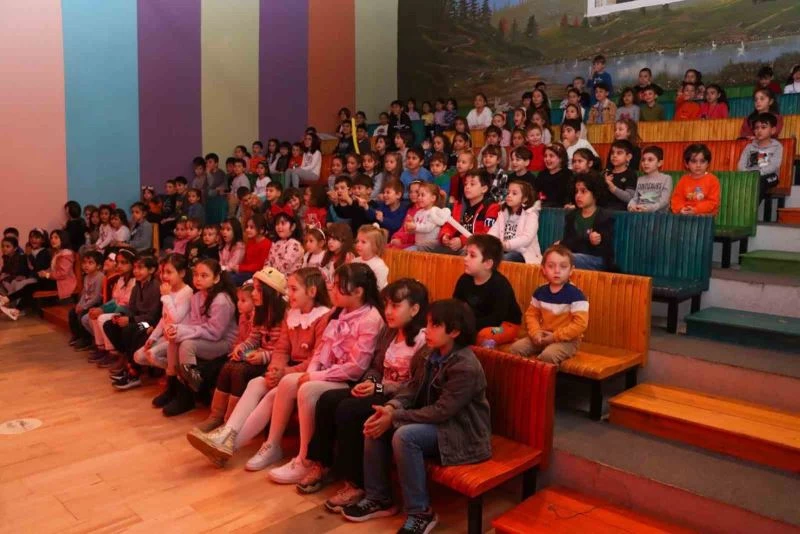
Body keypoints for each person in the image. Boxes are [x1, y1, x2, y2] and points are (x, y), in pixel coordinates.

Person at [341, 299, 490, 534]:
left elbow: (442, 411)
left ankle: (420, 512)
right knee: (376, 421)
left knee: (405, 436)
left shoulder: (465, 366)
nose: (426, 330)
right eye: (427, 324)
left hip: (463, 433)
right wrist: (390, 408)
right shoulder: (429, 353)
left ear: (454, 331)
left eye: (434, 325)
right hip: (437, 425)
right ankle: (379, 498)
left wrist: (396, 417)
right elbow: (412, 388)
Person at [297, 279, 429, 506]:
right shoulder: (390, 332)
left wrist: (379, 387)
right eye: (387, 305)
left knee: (350, 410)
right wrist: (370, 381)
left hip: (401, 401)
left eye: (396, 306)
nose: (388, 311)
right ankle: (323, 464)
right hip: (380, 390)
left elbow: (415, 386)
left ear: (415, 309)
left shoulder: (423, 340)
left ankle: (356, 484)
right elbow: (376, 367)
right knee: (327, 400)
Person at [185, 268, 332, 468]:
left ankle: (234, 445)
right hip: (287, 370)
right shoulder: (293, 314)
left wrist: (283, 373)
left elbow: (316, 359)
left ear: (312, 291)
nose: (288, 293)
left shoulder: (323, 318)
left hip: (308, 373)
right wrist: (274, 370)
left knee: (272, 393)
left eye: (294, 289)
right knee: (256, 383)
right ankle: (226, 434)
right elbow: (282, 349)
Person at [259, 264, 385, 484]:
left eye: (338, 285)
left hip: (351, 380)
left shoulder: (371, 318)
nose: (332, 289)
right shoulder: (339, 311)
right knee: (289, 382)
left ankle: (305, 459)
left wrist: (315, 377)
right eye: (333, 284)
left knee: (307, 389)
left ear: (358, 291)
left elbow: (356, 367)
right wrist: (311, 371)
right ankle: (273, 444)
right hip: (328, 373)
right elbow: (321, 349)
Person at [189, 267, 287, 437]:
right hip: (259, 355)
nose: (254, 294)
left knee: (239, 371)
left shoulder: (284, 315)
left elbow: (283, 349)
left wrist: (263, 356)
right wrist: (241, 347)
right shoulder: (260, 311)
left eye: (258, 290)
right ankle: (216, 416)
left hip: (272, 363)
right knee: (228, 366)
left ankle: (229, 422)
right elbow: (254, 338)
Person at [160, 259, 239, 417]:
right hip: (206, 337)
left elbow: (215, 333)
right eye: (196, 275)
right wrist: (177, 331)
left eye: (204, 276)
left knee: (187, 344)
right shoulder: (197, 297)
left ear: (216, 278)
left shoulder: (221, 300)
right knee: (175, 340)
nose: (198, 279)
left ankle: (187, 396)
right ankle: (173, 387)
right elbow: (194, 324)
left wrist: (183, 331)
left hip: (224, 343)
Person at [509, 244, 589, 364]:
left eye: (563, 267)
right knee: (516, 348)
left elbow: (580, 324)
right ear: (543, 269)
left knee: (548, 356)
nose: (557, 271)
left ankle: (540, 376)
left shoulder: (576, 295)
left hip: (568, 340)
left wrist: (555, 337)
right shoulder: (540, 292)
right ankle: (524, 375)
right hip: (543, 335)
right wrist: (535, 333)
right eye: (551, 266)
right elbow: (531, 315)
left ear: (571, 270)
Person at [453, 234, 521, 347]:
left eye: (472, 255)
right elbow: (456, 306)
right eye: (466, 254)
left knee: (485, 334)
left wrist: (468, 325)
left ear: (488, 264)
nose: (465, 258)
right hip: (473, 323)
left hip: (505, 325)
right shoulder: (464, 280)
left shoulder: (500, 284)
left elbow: (496, 319)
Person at [105, 255, 162, 388]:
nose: (136, 271)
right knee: (109, 324)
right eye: (135, 268)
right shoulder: (137, 286)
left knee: (131, 329)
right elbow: (131, 309)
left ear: (151, 270)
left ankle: (134, 372)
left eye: (140, 268)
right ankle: (128, 360)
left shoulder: (155, 287)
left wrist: (130, 320)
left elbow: (152, 316)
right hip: (138, 320)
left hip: (151, 323)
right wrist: (120, 315)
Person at [133, 254, 193, 375]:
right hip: (164, 335)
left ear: (181, 273)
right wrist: (153, 337)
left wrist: (166, 296)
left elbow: (175, 319)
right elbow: (164, 318)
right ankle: (173, 368)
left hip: (178, 338)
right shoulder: (167, 289)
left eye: (169, 272)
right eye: (162, 272)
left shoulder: (187, 292)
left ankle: (174, 372)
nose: (164, 276)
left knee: (151, 354)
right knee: (138, 356)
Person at [85, 249, 136, 365]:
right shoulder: (121, 279)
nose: (119, 266)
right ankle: (102, 348)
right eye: (118, 263)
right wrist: (101, 309)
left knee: (102, 318)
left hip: (128, 312)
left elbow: (127, 304)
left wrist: (104, 311)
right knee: (94, 314)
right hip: (118, 309)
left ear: (132, 264)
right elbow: (115, 300)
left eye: (124, 262)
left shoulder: (134, 281)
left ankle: (113, 352)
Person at [435, 170, 499, 255]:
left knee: (467, 252)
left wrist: (462, 241)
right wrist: (445, 235)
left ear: (484, 189)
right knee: (425, 246)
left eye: (472, 184)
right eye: (465, 184)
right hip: (454, 243)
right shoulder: (459, 204)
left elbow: (486, 234)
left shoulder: (491, 207)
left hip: (476, 246)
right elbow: (449, 224)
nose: (467, 187)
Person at [561, 174, 615, 271]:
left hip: (597, 260)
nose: (578, 195)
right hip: (573, 257)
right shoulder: (571, 216)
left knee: (569, 259)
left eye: (583, 191)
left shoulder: (604, 217)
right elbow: (567, 242)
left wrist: (595, 241)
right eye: (576, 191)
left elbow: (604, 249)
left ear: (595, 193)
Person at [488, 180, 541, 264]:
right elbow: (494, 230)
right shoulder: (503, 213)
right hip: (503, 249)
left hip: (523, 253)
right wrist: (489, 241)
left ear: (525, 199)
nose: (509, 195)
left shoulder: (531, 215)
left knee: (505, 259)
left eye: (514, 193)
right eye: (508, 193)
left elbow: (527, 238)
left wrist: (507, 244)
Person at [737, 112, 783, 203]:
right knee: (736, 182)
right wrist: (747, 173)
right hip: (750, 175)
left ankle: (751, 208)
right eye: (756, 128)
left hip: (770, 176)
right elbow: (741, 164)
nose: (759, 130)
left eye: (763, 127)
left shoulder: (777, 146)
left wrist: (759, 173)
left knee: (760, 182)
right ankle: (741, 207)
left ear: (773, 130)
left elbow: (774, 165)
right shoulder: (749, 147)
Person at [68, 250, 105, 350]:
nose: (86, 265)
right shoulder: (86, 277)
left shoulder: (100, 277)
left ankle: (87, 339)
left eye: (90, 263)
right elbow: (84, 293)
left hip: (96, 304)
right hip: (87, 303)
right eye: (84, 262)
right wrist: (79, 304)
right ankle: (77, 335)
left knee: (82, 315)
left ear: (98, 266)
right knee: (72, 312)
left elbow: (97, 297)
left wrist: (84, 307)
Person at [671, 143, 721, 216]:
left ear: (708, 163)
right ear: (686, 164)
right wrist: (681, 209)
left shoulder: (713, 180)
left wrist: (696, 210)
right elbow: (676, 200)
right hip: (685, 215)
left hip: (705, 216)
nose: (698, 165)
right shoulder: (683, 180)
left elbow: (712, 202)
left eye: (702, 161)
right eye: (694, 161)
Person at [628, 146, 673, 212]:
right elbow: (635, 198)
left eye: (650, 160)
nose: (645, 163)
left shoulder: (666, 178)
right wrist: (631, 206)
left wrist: (648, 208)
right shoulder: (639, 179)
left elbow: (664, 201)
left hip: (658, 215)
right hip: (640, 212)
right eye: (643, 160)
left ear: (659, 163)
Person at [231, 214, 271, 285]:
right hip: (246, 271)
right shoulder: (251, 241)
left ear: (261, 230)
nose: (247, 230)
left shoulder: (267, 244)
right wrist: (238, 267)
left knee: (232, 279)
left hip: (256, 274)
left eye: (251, 227)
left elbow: (259, 266)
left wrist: (240, 268)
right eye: (247, 227)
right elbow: (246, 260)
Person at [405, 182, 444, 253]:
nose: (419, 197)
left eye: (422, 195)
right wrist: (410, 228)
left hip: (431, 247)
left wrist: (415, 226)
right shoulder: (418, 213)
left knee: (407, 253)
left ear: (433, 198)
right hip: (419, 246)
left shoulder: (435, 211)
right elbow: (415, 231)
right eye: (418, 195)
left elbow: (428, 227)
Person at [603, 140, 638, 211]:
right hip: (603, 208)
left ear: (628, 157)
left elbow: (630, 198)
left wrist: (612, 187)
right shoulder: (605, 173)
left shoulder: (631, 174)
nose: (614, 155)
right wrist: (602, 183)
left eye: (619, 153)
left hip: (621, 211)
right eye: (612, 153)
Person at [265, 212, 304, 276]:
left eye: (283, 223)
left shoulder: (295, 244)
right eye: (277, 224)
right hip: (272, 276)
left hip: (287, 279)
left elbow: (284, 267)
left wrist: (268, 274)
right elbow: (269, 261)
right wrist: (265, 272)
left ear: (293, 226)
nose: (279, 226)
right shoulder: (277, 243)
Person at [353, 225, 389, 290]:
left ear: (375, 246)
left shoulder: (379, 266)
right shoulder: (354, 261)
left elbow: (378, 289)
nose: (358, 244)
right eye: (357, 241)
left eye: (363, 242)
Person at [536, 143, 572, 208]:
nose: (547, 159)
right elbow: (537, 193)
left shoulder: (568, 175)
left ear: (561, 158)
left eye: (551, 156)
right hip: (543, 208)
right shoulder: (542, 174)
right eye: (545, 156)